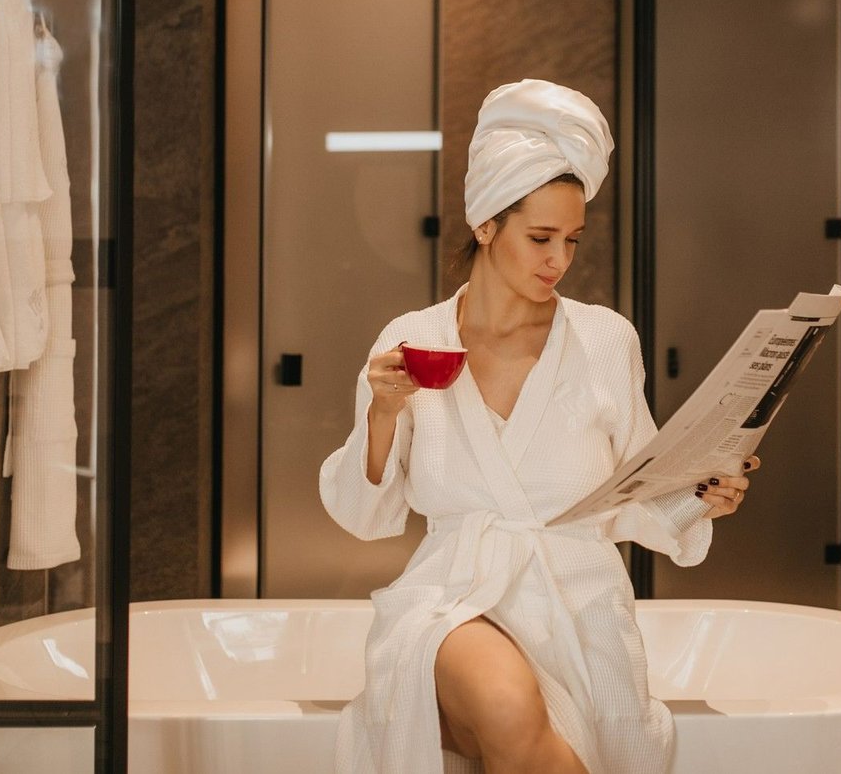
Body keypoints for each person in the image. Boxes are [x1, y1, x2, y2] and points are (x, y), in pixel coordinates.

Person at [319, 78, 758, 774]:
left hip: (581, 605)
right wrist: (383, 412)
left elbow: (638, 492)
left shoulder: (605, 340)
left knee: (535, 736)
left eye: (573, 240)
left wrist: (703, 496)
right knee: (506, 703)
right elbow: (366, 516)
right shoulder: (414, 340)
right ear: (486, 225)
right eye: (540, 237)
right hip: (452, 596)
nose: (560, 260)